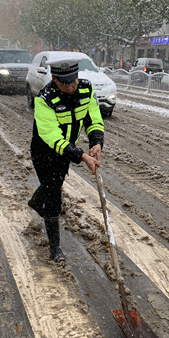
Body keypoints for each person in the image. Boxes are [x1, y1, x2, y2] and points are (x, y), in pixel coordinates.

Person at [29, 55, 104, 262]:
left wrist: (96, 141)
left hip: (66, 152)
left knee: (54, 183)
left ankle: (35, 203)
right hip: (45, 151)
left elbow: (92, 118)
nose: (71, 86)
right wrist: (80, 156)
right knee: (53, 195)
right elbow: (51, 136)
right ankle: (55, 249)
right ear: (55, 79)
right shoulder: (44, 99)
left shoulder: (85, 89)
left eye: (74, 80)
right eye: (65, 83)